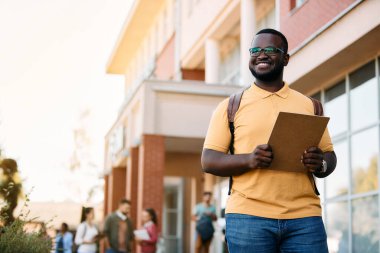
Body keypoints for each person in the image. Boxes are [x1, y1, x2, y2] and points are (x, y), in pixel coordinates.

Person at [201, 28, 337, 253]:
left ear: (285, 58)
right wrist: (250, 159)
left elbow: (329, 157)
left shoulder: (310, 105)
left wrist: (319, 162)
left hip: (305, 219)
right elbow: (208, 160)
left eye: (270, 50)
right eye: (255, 50)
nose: (261, 54)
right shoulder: (230, 106)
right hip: (247, 218)